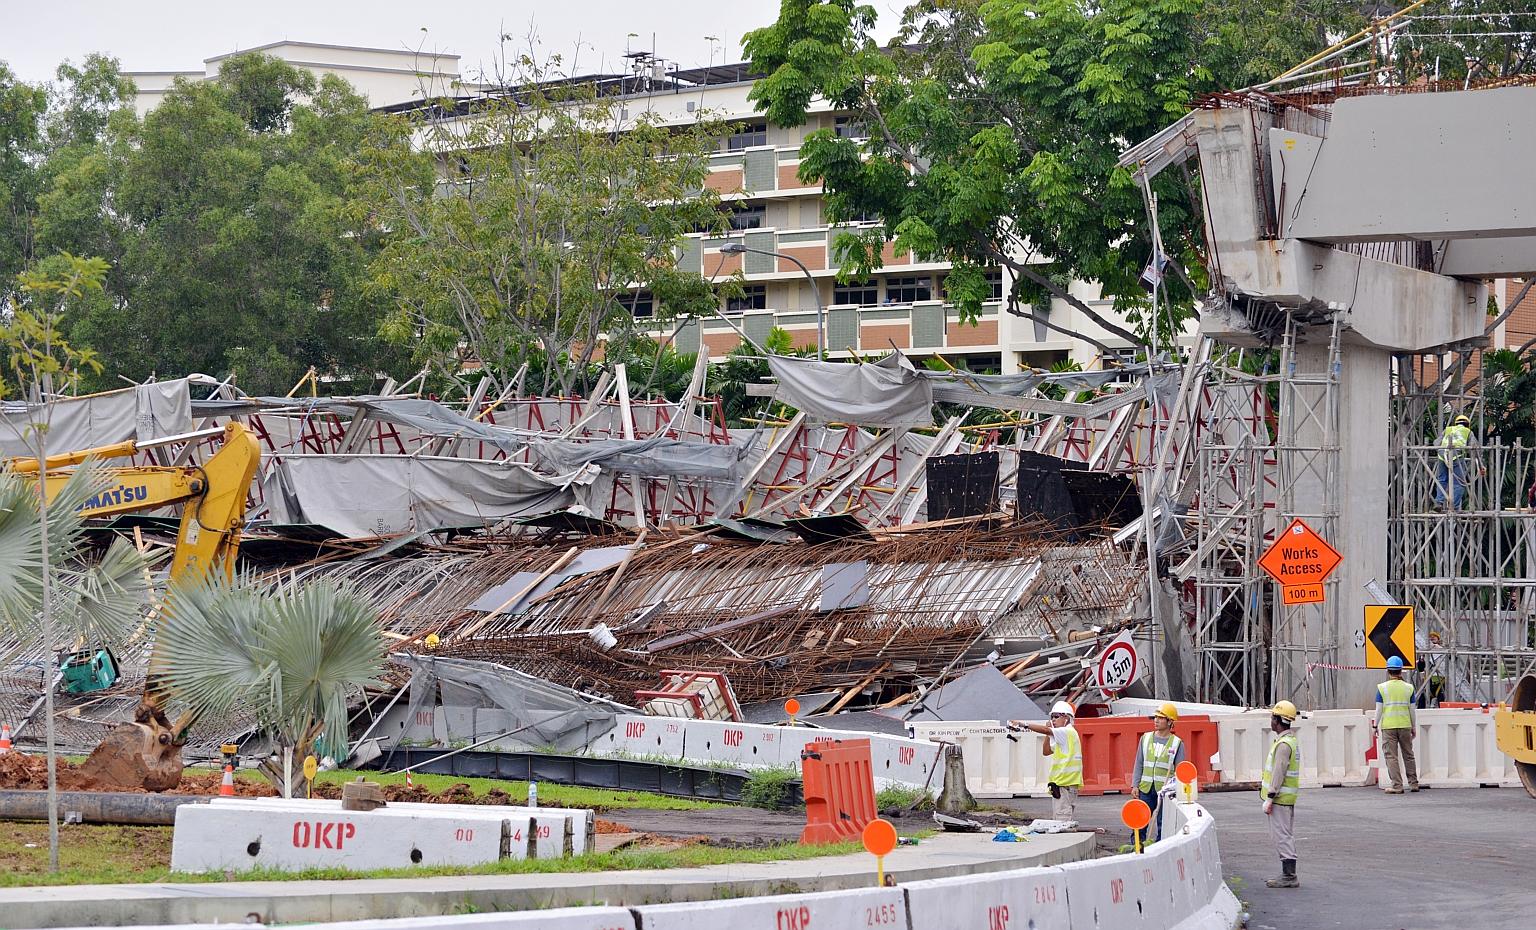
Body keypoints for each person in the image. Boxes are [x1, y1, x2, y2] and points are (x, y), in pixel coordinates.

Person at [1011, 701, 1083, 822]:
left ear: (1066, 718)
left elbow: (1045, 730)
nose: (1053, 720)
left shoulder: (1067, 732)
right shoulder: (1061, 736)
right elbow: (1046, 751)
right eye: (1052, 717)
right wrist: (1049, 733)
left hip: (1065, 784)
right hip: (1061, 784)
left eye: (1056, 716)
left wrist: (1023, 724)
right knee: (1060, 817)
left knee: (1062, 819)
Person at [1131, 703, 1186, 846]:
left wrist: (1178, 791)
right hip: (1145, 788)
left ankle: (1160, 846)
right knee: (1140, 819)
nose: (1156, 720)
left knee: (1163, 822)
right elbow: (1139, 763)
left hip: (1165, 791)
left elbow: (1180, 770)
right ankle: (1137, 845)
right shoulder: (1145, 738)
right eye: (1155, 717)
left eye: (1160, 718)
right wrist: (1135, 785)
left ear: (1170, 722)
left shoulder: (1177, 743)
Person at [1263, 700, 1302, 889]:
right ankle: (1288, 874)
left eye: (1273, 717)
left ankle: (1289, 875)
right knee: (1283, 834)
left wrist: (1270, 797)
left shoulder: (1284, 745)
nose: (1271, 720)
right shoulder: (1289, 741)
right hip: (1285, 798)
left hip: (1280, 799)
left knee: (1282, 836)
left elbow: (1279, 772)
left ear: (1278, 721)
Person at [1375, 656, 1420, 794]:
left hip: (1388, 727)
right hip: (1405, 725)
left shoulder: (1382, 688)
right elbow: (1412, 710)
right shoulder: (1409, 688)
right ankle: (1413, 783)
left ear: (1388, 670)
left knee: (1391, 757)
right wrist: (1413, 726)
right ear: (1401, 670)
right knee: (1408, 754)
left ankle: (1397, 785)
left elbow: (1379, 709)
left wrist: (1375, 725)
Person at [1434, 414, 1474, 510]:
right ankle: (1454, 507)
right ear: (1467, 424)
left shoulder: (1448, 429)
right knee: (1459, 483)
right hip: (1456, 456)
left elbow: (1436, 443)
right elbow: (1474, 448)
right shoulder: (1467, 431)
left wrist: (1443, 452)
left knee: (1442, 480)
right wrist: (1480, 464)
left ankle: (1439, 503)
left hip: (1442, 456)